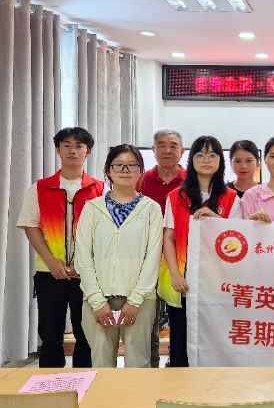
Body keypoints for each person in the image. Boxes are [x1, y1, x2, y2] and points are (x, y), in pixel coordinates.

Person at [17, 127, 103, 368]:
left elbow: (104, 234)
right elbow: (30, 227)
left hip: (87, 274)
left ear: (88, 151)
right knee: (50, 332)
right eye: (66, 145)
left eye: (78, 146)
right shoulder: (39, 188)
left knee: (86, 332)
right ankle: (50, 383)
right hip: (49, 272)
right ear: (58, 150)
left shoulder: (100, 189)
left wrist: (84, 264)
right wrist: (51, 261)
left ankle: (85, 380)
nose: (72, 151)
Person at [75, 145, 162, 368]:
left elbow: (153, 257)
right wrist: (96, 301)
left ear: (140, 171)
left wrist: (135, 300)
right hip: (97, 298)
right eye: (118, 165)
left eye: (132, 165)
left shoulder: (151, 209)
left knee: (138, 363)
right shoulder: (92, 208)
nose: (125, 170)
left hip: (140, 300)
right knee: (101, 364)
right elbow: (83, 257)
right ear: (108, 170)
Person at [159, 136, 240, 367]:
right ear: (191, 159)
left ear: (220, 161)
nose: (206, 160)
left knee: (214, 342)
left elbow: (236, 239)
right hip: (183, 282)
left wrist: (214, 218)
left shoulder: (231, 197)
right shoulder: (176, 196)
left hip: (217, 283)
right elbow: (168, 237)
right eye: (200, 155)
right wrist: (175, 274)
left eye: (212, 155)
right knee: (181, 343)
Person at [137, 129, 186, 368]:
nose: (168, 150)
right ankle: (151, 367)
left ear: (182, 151)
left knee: (180, 319)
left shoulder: (192, 183)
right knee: (148, 320)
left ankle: (176, 364)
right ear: (153, 150)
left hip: (181, 263)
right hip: (146, 260)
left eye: (173, 145)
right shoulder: (140, 181)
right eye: (162, 145)